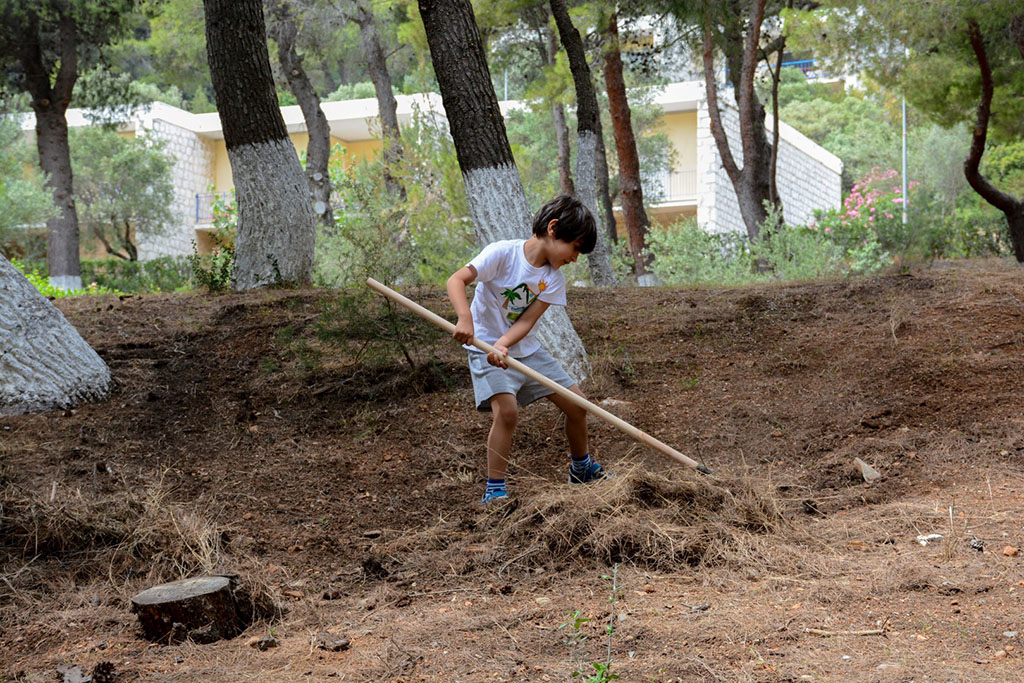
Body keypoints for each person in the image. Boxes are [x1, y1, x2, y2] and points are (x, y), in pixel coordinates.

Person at [446, 195, 609, 504]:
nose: (575, 258)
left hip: (526, 349)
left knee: (578, 405)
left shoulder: (553, 280)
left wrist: (505, 343)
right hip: (483, 346)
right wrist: (465, 318)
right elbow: (457, 280)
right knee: (507, 412)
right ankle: (495, 490)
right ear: (553, 228)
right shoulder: (502, 254)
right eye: (575, 248)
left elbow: (527, 320)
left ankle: (582, 468)